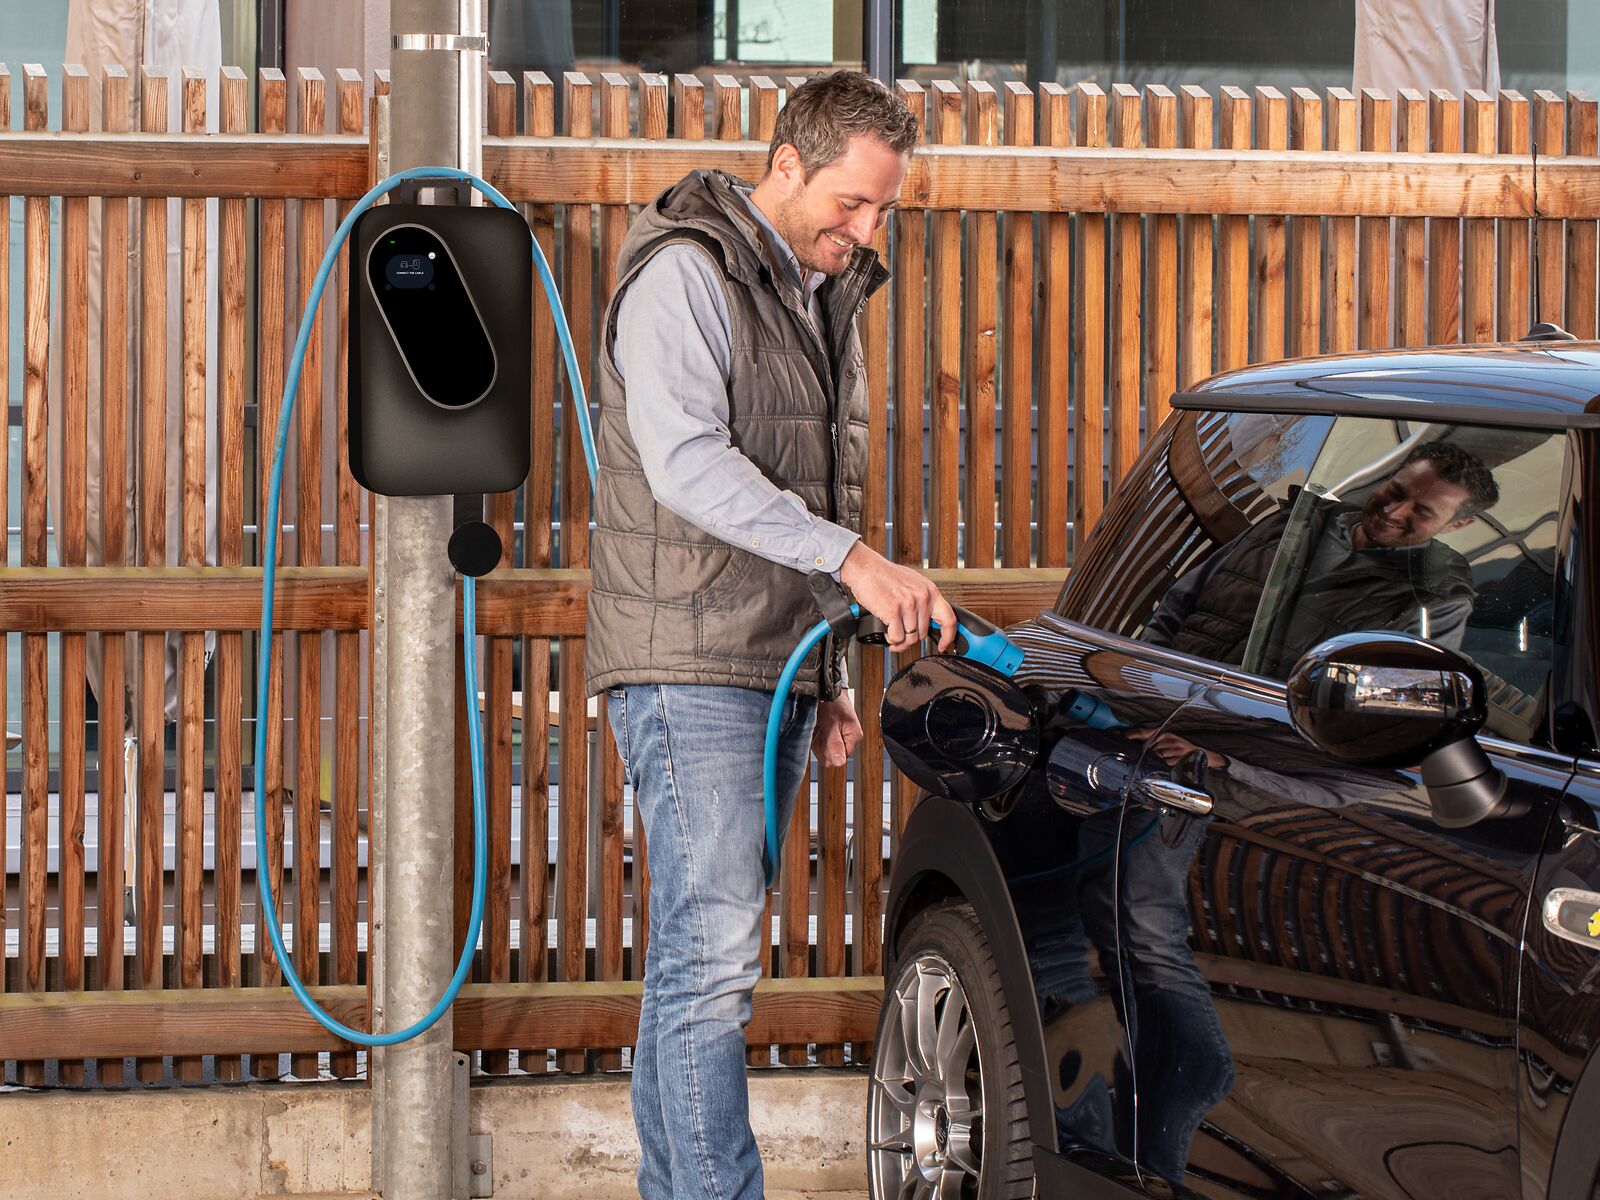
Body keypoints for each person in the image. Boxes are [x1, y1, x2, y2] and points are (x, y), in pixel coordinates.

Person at [583, 71, 957, 1200]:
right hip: (687, 658)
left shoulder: (816, 288)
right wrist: (855, 565)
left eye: (884, 208)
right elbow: (688, 462)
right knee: (711, 965)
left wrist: (827, 670)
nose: (867, 229)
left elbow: (806, 484)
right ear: (786, 164)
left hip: (768, 661)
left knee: (696, 964)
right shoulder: (687, 273)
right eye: (851, 202)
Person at [1144, 440, 1500, 675]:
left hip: (1256, 750)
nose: (1393, 511)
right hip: (1161, 700)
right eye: (1395, 491)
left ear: (1457, 524)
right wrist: (1146, 680)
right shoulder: (1288, 524)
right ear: (1390, 475)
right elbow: (1179, 603)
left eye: (1422, 511)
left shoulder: (1438, 599)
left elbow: (1384, 710)